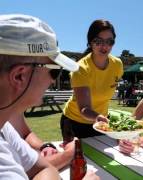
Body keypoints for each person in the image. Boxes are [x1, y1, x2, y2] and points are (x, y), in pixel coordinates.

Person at [0, 14, 99, 179]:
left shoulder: (4, 127)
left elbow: (42, 168)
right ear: (19, 76)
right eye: (54, 71)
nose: (54, 81)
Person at [60, 19, 123, 144]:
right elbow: (84, 108)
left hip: (100, 123)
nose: (104, 46)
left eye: (109, 42)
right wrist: (98, 117)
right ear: (90, 42)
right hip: (74, 122)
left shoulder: (118, 65)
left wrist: (101, 119)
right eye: (98, 41)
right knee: (79, 161)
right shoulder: (81, 68)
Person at [9, 113, 75, 170]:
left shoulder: (11, 109)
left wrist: (45, 147)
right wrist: (70, 153)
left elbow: (25, 134)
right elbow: (30, 168)